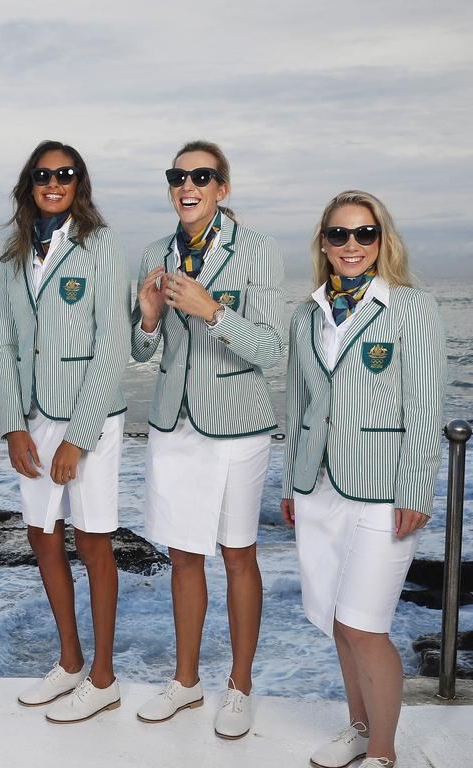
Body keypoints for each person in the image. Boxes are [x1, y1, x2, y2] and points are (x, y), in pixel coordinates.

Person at [281, 191, 445, 768]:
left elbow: (424, 408)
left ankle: (382, 752)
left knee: (364, 624)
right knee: (336, 621)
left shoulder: (411, 308)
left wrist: (417, 491)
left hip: (383, 492)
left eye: (364, 234)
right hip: (318, 487)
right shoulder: (308, 314)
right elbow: (298, 404)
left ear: (382, 240)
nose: (352, 245)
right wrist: (290, 482)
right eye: (339, 235)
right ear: (323, 244)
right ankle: (358, 726)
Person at [130, 141, 286, 739]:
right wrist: (146, 318)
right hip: (175, 426)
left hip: (238, 427)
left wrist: (212, 309)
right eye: (178, 176)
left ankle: (240, 687)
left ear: (222, 188)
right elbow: (145, 352)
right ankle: (187, 681)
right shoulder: (155, 252)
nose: (186, 185)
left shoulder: (258, 251)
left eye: (202, 176)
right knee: (184, 555)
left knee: (238, 553)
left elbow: (272, 348)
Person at [0, 140, 131, 723]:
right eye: (44, 174)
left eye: (65, 174)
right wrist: (12, 428)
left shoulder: (100, 248)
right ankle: (70, 662)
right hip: (32, 418)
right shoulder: (14, 255)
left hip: (90, 419)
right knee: (42, 536)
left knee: (93, 540)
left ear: (80, 184)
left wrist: (79, 436)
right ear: (30, 183)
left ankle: (103, 678)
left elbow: (112, 347)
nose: (54, 182)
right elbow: (3, 346)